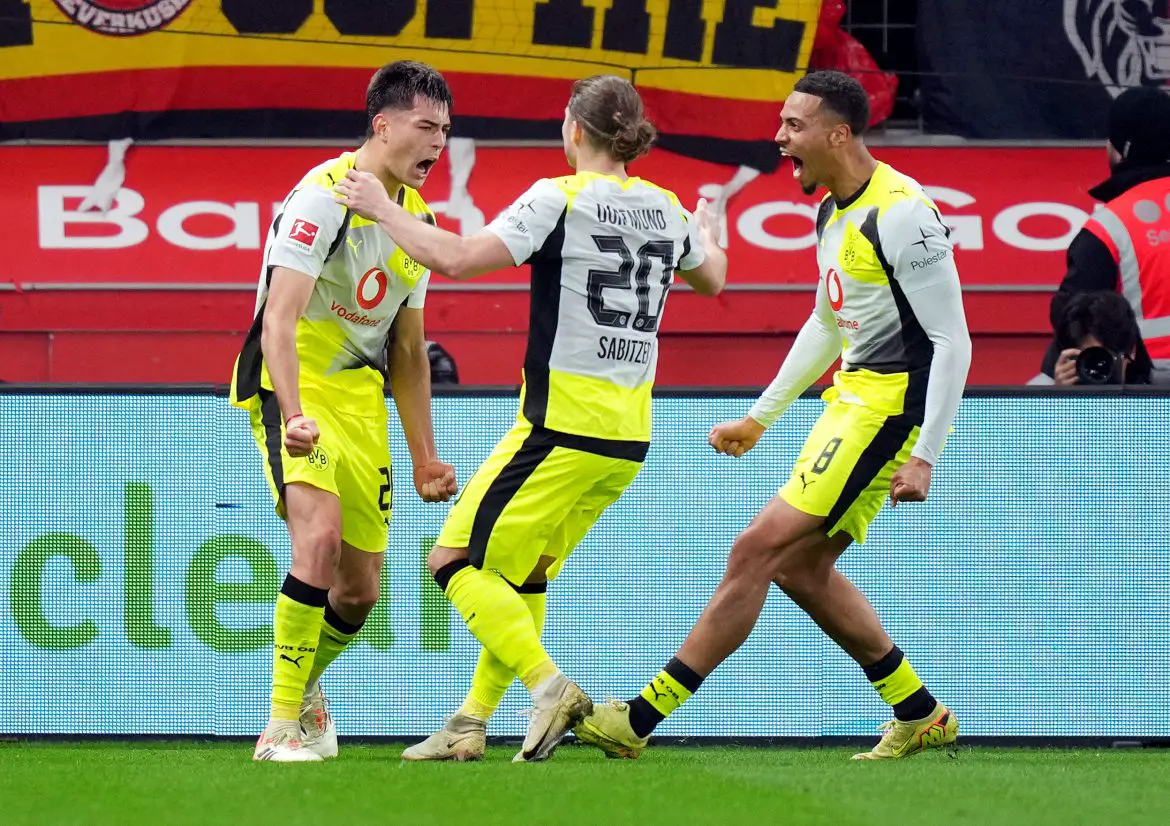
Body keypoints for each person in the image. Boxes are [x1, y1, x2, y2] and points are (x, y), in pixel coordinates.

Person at [573, 70, 972, 761]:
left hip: (887, 414)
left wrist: (926, 453)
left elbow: (952, 341)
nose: (779, 138)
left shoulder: (903, 214)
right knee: (798, 569)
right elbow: (825, 323)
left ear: (838, 133)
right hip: (850, 403)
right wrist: (761, 417)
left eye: (794, 126)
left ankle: (638, 719)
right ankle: (919, 710)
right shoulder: (832, 213)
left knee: (755, 550)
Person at [335, 74, 728, 763]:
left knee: (453, 561)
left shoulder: (560, 197)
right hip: (628, 438)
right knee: (526, 573)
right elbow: (715, 277)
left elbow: (454, 259)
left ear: (574, 128)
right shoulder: (666, 207)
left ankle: (549, 687)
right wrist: (711, 226)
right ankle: (470, 724)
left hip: (560, 427)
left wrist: (382, 209)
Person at [230, 61, 459, 762]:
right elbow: (278, 319)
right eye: (425, 127)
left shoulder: (415, 220)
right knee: (319, 542)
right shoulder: (322, 197)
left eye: (446, 132)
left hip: (362, 404)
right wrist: (293, 412)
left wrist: (424, 456)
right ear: (381, 124)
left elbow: (411, 352)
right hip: (293, 385)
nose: (437, 144)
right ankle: (278, 726)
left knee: (359, 592)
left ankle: (303, 693)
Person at [1036, 85, 1170, 385]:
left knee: (1053, 368)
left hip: (1148, 388)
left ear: (1121, 149)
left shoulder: (1110, 227)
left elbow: (1071, 320)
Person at [1031, 291, 1150, 386]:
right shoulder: (1036, 401)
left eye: (1103, 358)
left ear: (1131, 351)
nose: (1095, 369)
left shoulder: (1159, 397)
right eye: (1086, 358)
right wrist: (1061, 400)